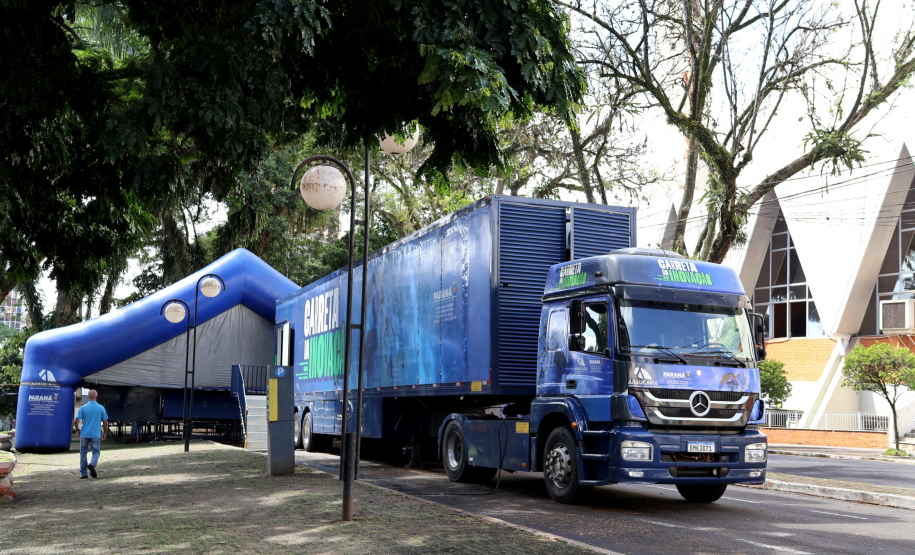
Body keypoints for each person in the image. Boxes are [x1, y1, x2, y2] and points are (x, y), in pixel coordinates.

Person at [73, 390, 109, 479]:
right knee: (96, 452)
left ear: (87, 397)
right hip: (96, 434)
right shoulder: (101, 408)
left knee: (83, 453)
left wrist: (77, 430)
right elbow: (105, 422)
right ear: (97, 397)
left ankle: (84, 473)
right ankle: (92, 464)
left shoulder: (83, 407)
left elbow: (75, 421)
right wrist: (105, 433)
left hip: (84, 433)